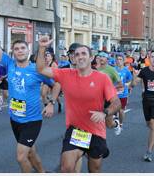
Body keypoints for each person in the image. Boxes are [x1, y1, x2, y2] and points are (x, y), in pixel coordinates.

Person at [0, 12, 61, 173]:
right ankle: (42, 172)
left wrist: (51, 103)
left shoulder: (37, 69)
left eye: (22, 48)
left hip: (32, 120)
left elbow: (57, 85)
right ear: (13, 52)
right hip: (15, 119)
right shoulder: (9, 64)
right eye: (16, 49)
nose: (19, 51)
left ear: (28, 51)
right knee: (31, 151)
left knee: (21, 157)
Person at [36, 36, 121, 173]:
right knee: (66, 168)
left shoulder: (102, 78)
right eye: (77, 55)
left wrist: (104, 113)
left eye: (83, 54)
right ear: (73, 59)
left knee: (94, 170)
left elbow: (116, 103)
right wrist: (41, 47)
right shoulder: (66, 74)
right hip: (76, 131)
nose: (80, 57)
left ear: (91, 58)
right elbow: (40, 69)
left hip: (96, 132)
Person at [114, 54, 133, 135]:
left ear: (123, 61)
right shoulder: (113, 70)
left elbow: (130, 80)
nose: (119, 61)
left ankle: (120, 124)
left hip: (123, 94)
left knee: (121, 111)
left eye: (120, 59)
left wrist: (128, 85)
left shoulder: (126, 71)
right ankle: (116, 122)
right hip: (113, 94)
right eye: (117, 59)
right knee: (114, 110)